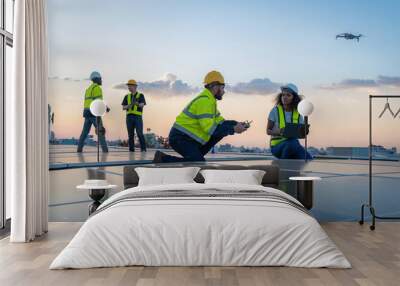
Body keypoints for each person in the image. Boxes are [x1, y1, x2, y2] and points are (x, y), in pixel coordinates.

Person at [153, 71, 248, 163]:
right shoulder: (204, 101)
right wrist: (233, 129)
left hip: (189, 139)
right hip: (180, 138)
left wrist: (236, 124)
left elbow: (221, 122)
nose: (224, 91)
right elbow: (210, 129)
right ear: (214, 86)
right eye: (222, 87)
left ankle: (195, 155)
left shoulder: (210, 101)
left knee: (222, 131)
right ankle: (162, 158)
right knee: (197, 162)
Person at [267, 83, 312, 160]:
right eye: (283, 95)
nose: (284, 97)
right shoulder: (275, 110)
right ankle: (283, 167)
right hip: (277, 146)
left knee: (308, 158)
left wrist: (304, 131)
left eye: (288, 95)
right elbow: (268, 131)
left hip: (293, 144)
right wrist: (280, 132)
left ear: (294, 98)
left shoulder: (298, 113)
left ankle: (286, 167)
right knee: (292, 144)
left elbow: (300, 133)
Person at [77, 71, 109, 153]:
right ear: (97, 79)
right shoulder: (97, 88)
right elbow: (98, 102)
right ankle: (105, 151)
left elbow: (90, 101)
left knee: (84, 133)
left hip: (87, 113)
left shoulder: (88, 89)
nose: (101, 80)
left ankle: (79, 149)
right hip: (94, 114)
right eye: (100, 79)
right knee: (101, 132)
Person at [121, 79, 147, 152]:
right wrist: (129, 105)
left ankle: (143, 149)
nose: (129, 87)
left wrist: (136, 103)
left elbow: (142, 105)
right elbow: (123, 107)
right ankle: (131, 150)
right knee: (130, 135)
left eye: (130, 86)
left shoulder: (140, 95)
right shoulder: (127, 96)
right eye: (128, 86)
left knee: (139, 133)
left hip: (137, 117)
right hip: (129, 117)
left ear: (135, 86)